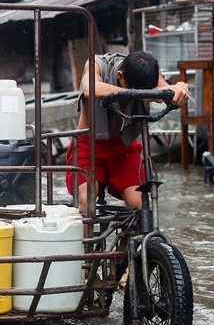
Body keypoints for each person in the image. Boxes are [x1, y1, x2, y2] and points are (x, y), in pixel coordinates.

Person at [66, 51, 190, 210]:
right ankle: (85, 235)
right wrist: (134, 94)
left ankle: (130, 235)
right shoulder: (97, 64)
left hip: (121, 147)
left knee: (140, 206)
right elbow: (90, 88)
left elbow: (164, 91)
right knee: (86, 200)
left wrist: (180, 87)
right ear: (120, 76)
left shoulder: (147, 69)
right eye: (131, 88)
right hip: (88, 144)